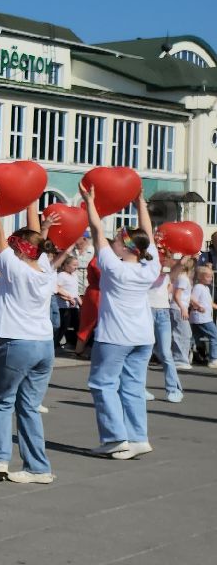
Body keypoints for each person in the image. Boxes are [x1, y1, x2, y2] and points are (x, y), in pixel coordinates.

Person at [0, 182, 58, 484]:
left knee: (1, 402)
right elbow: (36, 243)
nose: (7, 248)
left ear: (18, 250)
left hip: (17, 342)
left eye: (13, 246)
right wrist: (34, 206)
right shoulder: (45, 269)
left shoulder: (15, 266)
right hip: (43, 345)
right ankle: (39, 468)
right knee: (29, 407)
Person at [81, 187, 160, 460]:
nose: (112, 242)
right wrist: (140, 203)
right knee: (133, 387)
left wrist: (91, 202)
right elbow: (147, 235)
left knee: (103, 385)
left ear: (126, 246)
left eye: (117, 239)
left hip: (115, 336)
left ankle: (116, 438)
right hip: (143, 337)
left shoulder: (114, 267)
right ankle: (138, 437)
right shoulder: (151, 266)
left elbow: (95, 230)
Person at [148, 250, 184, 404]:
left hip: (162, 312)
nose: (165, 259)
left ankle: (173, 388)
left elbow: (172, 273)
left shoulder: (168, 272)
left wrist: (183, 259)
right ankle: (139, 387)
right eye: (163, 256)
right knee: (145, 352)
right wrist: (178, 263)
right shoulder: (148, 268)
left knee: (165, 352)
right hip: (147, 311)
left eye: (167, 257)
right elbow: (162, 272)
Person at [54, 257, 83, 353]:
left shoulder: (74, 275)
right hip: (63, 306)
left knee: (77, 325)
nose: (76, 267)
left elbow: (75, 291)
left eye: (77, 265)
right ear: (66, 265)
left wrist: (79, 300)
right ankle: (55, 344)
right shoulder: (61, 275)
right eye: (74, 265)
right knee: (63, 326)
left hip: (74, 306)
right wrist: (68, 298)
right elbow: (57, 289)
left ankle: (74, 344)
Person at [191, 266, 216, 364]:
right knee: (215, 336)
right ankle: (213, 359)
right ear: (200, 277)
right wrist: (198, 307)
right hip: (201, 317)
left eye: (211, 277)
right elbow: (192, 299)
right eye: (208, 277)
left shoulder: (206, 288)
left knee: (196, 338)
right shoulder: (198, 287)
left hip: (202, 318)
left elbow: (209, 303)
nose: (210, 279)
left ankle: (199, 356)